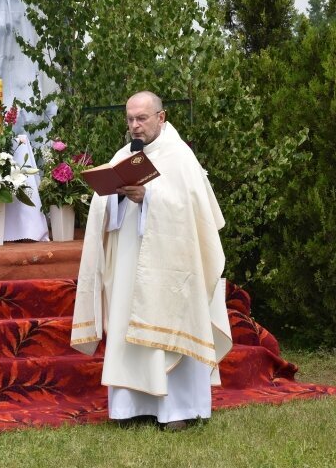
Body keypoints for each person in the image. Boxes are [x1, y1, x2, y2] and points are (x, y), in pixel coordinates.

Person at [70, 91, 232, 430]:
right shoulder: (122, 155)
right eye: (130, 119)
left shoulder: (179, 157)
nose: (134, 126)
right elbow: (104, 207)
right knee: (127, 327)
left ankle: (178, 411)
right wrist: (111, 197)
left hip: (170, 268)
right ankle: (132, 408)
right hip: (128, 263)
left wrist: (150, 197)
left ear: (162, 117)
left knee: (170, 320)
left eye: (141, 118)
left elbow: (195, 213)